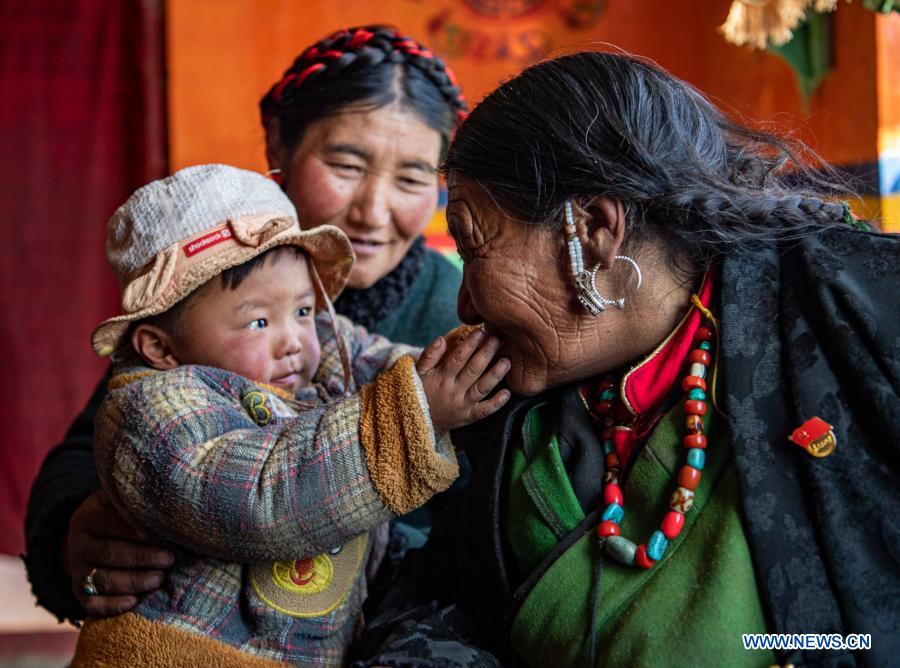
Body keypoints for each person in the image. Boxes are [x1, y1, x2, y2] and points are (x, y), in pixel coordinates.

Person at [358, 52, 900, 668]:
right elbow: (437, 597)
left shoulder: (857, 316)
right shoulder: (505, 398)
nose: (465, 307)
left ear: (592, 229)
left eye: (473, 248)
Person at [24, 25, 468, 624]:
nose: (372, 210)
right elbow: (97, 438)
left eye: (413, 178)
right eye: (345, 164)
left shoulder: (460, 316)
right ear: (278, 146)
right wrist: (73, 528)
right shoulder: (202, 289)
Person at [69, 164, 508, 666]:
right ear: (160, 347)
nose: (294, 341)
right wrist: (419, 409)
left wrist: (474, 357)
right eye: (258, 321)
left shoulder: (314, 349)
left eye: (302, 310)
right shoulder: (153, 411)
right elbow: (260, 494)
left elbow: (394, 365)